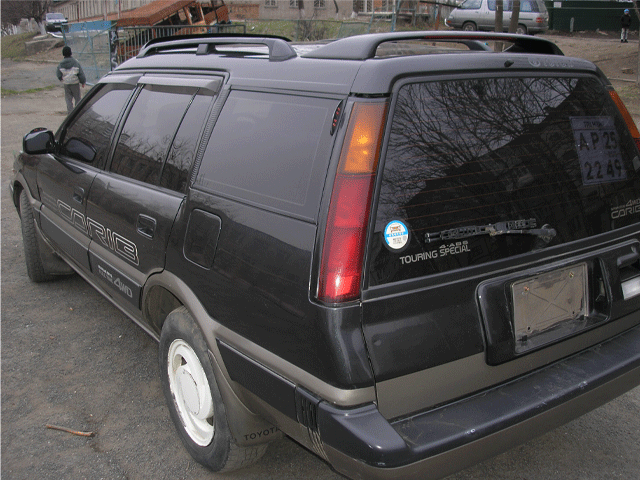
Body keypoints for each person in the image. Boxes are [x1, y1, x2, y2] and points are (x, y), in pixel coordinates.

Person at [56, 46, 86, 113]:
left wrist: (62, 79)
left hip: (66, 83)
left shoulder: (61, 64)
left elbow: (58, 74)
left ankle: (70, 113)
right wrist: (83, 82)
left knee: (68, 99)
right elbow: (80, 73)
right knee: (77, 98)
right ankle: (77, 112)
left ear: (63, 54)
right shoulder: (75, 62)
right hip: (75, 83)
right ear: (71, 53)